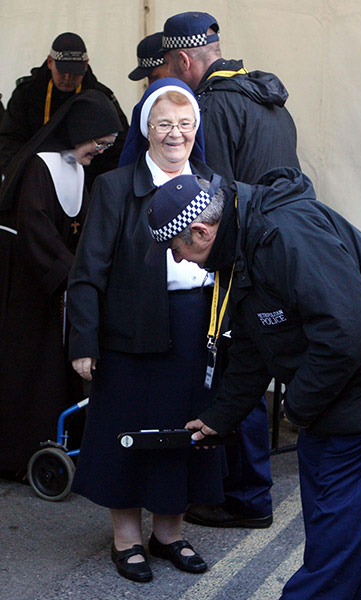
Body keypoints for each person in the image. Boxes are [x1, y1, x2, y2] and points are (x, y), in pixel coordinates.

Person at [147, 170, 361, 600]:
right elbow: (252, 348)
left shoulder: (284, 234)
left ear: (200, 230)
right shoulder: (238, 247)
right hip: (334, 403)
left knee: (332, 550)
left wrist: (298, 407)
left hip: (353, 404)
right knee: (335, 541)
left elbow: (346, 330)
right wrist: (220, 418)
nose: (178, 260)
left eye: (176, 249)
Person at [66, 78, 227, 584]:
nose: (175, 134)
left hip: (196, 326)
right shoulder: (115, 185)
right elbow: (87, 271)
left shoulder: (213, 182)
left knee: (185, 434)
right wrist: (83, 341)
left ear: (195, 128)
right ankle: (126, 540)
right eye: (164, 124)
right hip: (129, 335)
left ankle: (169, 534)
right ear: (146, 128)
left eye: (185, 124)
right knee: (125, 438)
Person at [161, 10, 300, 529]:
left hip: (239, 254)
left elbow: (208, 198)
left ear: (180, 59)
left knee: (233, 370)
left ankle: (243, 497)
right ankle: (248, 491)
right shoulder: (270, 100)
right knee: (253, 363)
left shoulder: (213, 108)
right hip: (276, 245)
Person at [0, 89, 123, 479]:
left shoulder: (75, 166)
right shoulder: (40, 166)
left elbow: (79, 227)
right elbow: (36, 233)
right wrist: (76, 274)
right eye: (99, 143)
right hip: (28, 284)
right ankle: (19, 454)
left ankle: (58, 441)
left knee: (54, 366)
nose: (101, 151)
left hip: (55, 282)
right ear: (81, 131)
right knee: (29, 367)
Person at [0, 32, 129, 190]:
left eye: (75, 73)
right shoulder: (27, 93)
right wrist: (22, 177)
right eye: (62, 72)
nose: (68, 78)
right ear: (50, 62)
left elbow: (119, 144)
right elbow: (9, 139)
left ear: (86, 65)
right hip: (36, 181)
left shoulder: (101, 97)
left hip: (86, 184)